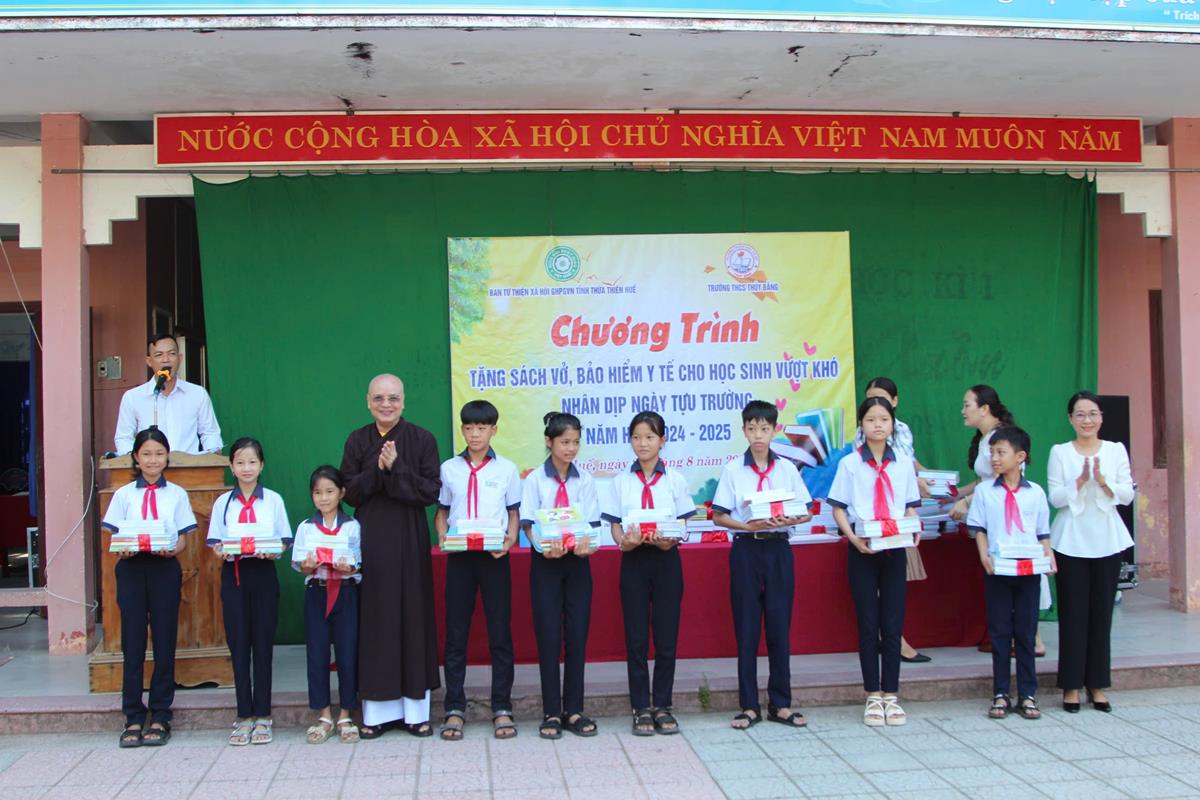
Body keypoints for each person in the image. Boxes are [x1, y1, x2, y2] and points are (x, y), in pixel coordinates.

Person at [340, 374, 442, 738]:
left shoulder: (423, 439)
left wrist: (397, 467)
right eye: (379, 398)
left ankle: (415, 712)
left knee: (412, 615)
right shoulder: (357, 440)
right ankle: (377, 713)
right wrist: (378, 468)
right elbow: (350, 493)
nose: (386, 405)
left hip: (410, 537)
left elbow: (430, 492)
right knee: (377, 617)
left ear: (404, 401)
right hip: (371, 537)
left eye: (393, 398)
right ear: (368, 401)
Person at [711, 400, 813, 730]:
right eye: (752, 428)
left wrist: (789, 519)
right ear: (744, 430)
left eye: (765, 429)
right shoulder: (733, 470)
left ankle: (780, 703)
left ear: (774, 430)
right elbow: (718, 516)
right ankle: (749, 705)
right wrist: (747, 525)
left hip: (779, 549)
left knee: (779, 626)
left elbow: (807, 511)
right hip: (746, 549)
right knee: (747, 628)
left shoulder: (786, 469)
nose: (758, 435)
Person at [828, 397, 921, 727]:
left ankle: (891, 695)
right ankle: (872, 694)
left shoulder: (903, 464)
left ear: (892, 424)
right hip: (863, 548)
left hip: (895, 548)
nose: (878, 425)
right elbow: (838, 508)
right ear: (861, 425)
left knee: (893, 623)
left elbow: (910, 505)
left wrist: (913, 526)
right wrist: (853, 539)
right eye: (871, 419)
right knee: (868, 623)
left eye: (884, 419)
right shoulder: (850, 464)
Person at [101, 428, 196, 748]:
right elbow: (112, 534)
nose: (153, 460)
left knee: (165, 639)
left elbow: (183, 539)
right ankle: (132, 714)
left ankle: (160, 714)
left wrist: (173, 549)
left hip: (164, 569)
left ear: (167, 457)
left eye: (159, 454)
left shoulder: (177, 494)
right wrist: (123, 548)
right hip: (131, 569)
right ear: (136, 458)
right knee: (133, 640)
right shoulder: (124, 494)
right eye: (146, 454)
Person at [602, 411, 696, 736]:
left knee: (666, 637)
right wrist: (623, 542)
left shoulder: (675, 480)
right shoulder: (620, 481)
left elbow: (684, 523)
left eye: (650, 437)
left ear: (662, 440)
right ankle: (640, 706)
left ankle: (663, 705)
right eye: (637, 437)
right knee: (636, 638)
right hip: (634, 562)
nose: (643, 443)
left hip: (667, 561)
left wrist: (671, 539)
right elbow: (615, 525)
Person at [434, 400, 522, 741]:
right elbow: (442, 511)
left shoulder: (507, 470)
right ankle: (455, 707)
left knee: (500, 633)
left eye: (482, 428)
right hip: (460, 557)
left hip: (494, 558)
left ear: (493, 430)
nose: (475, 434)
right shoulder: (448, 469)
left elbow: (513, 513)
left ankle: (502, 706)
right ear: (462, 429)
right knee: (456, 633)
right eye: (469, 427)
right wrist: (442, 534)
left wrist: (510, 540)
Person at [1047, 391, 1135, 713]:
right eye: (1080, 414)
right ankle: (1071, 685)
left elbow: (1126, 494)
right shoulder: (1060, 452)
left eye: (1093, 414)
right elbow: (1055, 497)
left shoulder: (1115, 450)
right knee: (1073, 614)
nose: (1087, 420)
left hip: (1107, 540)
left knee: (1102, 613)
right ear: (1070, 419)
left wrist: (1103, 481)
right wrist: (1081, 481)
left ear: (1101, 417)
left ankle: (1097, 684)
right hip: (1070, 541)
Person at [519, 411, 601, 740]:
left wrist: (586, 545)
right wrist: (543, 547)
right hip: (546, 564)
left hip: (578, 564)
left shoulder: (586, 480)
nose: (571, 449)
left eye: (576, 442)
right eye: (564, 442)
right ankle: (551, 711)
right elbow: (528, 523)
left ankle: (575, 709)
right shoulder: (535, 480)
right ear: (549, 441)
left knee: (577, 635)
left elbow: (592, 525)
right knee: (549, 636)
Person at [949, 385, 1047, 656]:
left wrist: (967, 502)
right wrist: (958, 493)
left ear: (984, 409)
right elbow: (984, 480)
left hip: (1008, 512)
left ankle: (1033, 639)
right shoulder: (985, 439)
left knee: (1018, 565)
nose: (963, 411)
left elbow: (999, 480)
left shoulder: (1001, 437)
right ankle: (1015, 637)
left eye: (967, 405)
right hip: (993, 512)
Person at [206, 437, 292, 746]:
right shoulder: (222, 503)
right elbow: (215, 542)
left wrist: (274, 550)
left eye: (252, 462)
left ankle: (264, 715)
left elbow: (283, 540)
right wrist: (221, 551)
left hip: (263, 574)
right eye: (240, 462)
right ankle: (243, 715)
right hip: (235, 575)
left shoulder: (273, 500)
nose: (246, 468)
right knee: (239, 645)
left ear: (262, 465)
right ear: (231, 466)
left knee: (263, 645)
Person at [967, 426, 1054, 721]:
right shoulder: (984, 491)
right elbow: (979, 528)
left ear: (1020, 457)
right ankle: (1001, 692)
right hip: (998, 568)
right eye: (992, 452)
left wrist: (1048, 557)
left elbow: (1042, 532)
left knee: (1026, 632)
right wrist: (984, 556)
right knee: (1000, 631)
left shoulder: (1035, 493)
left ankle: (1028, 693)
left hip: (1028, 569)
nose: (994, 458)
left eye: (1001, 452)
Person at [852, 377, 932, 664]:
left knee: (895, 585)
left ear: (894, 403)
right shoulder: (857, 442)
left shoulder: (901, 431)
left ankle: (895, 639)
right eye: (869, 401)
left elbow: (907, 464)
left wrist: (926, 480)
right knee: (872, 587)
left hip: (896, 518)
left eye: (883, 402)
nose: (876, 416)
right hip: (870, 521)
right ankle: (887, 641)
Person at [293, 465, 363, 744]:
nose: (323, 498)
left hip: (345, 593)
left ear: (341, 493)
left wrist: (348, 567)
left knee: (347, 652)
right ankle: (323, 715)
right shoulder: (306, 527)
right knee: (317, 653)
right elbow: (300, 565)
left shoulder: (352, 525)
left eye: (329, 491)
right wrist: (308, 566)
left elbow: (358, 563)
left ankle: (346, 714)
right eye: (317, 493)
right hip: (317, 592)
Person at [114, 333, 223, 455]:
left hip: (188, 465)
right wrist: (135, 460)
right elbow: (123, 438)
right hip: (149, 465)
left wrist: (212, 456)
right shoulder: (133, 397)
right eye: (159, 355)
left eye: (171, 354)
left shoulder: (197, 394)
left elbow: (210, 433)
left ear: (180, 358)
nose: (166, 360)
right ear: (149, 361)